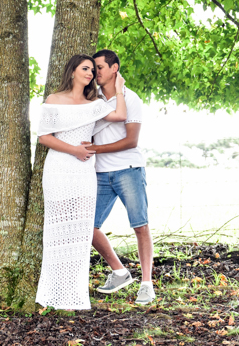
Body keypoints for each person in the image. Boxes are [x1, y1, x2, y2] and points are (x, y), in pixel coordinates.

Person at [34, 54, 127, 310]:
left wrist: (118, 90)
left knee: (81, 231)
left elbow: (120, 115)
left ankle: (74, 294)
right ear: (73, 71)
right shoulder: (54, 100)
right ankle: (53, 293)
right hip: (59, 170)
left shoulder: (94, 103)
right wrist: (73, 150)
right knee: (57, 232)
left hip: (84, 173)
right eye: (85, 69)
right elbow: (44, 137)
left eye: (92, 70)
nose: (90, 74)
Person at [89, 49, 155, 306]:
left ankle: (147, 285)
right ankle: (119, 272)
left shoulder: (131, 99)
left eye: (100, 67)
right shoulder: (92, 100)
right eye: (93, 68)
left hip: (129, 168)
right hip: (100, 173)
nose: (96, 72)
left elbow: (131, 140)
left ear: (114, 68)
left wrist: (95, 149)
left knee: (140, 226)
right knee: (87, 226)